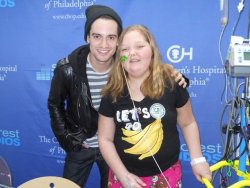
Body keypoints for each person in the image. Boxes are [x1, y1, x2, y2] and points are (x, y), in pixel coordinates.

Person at [48, 5, 188, 188]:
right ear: (87, 37)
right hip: (82, 146)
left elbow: (150, 67)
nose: (104, 45)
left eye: (111, 38)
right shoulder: (67, 69)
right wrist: (70, 141)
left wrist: (175, 75)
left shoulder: (124, 63)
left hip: (116, 149)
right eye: (97, 36)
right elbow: (55, 105)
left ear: (118, 42)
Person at [98, 24, 212, 188]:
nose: (132, 53)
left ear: (151, 51)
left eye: (140, 46)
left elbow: (188, 123)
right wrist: (124, 177)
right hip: (123, 178)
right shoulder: (112, 93)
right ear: (119, 57)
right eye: (124, 49)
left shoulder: (172, 83)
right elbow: (105, 139)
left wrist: (197, 159)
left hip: (166, 176)